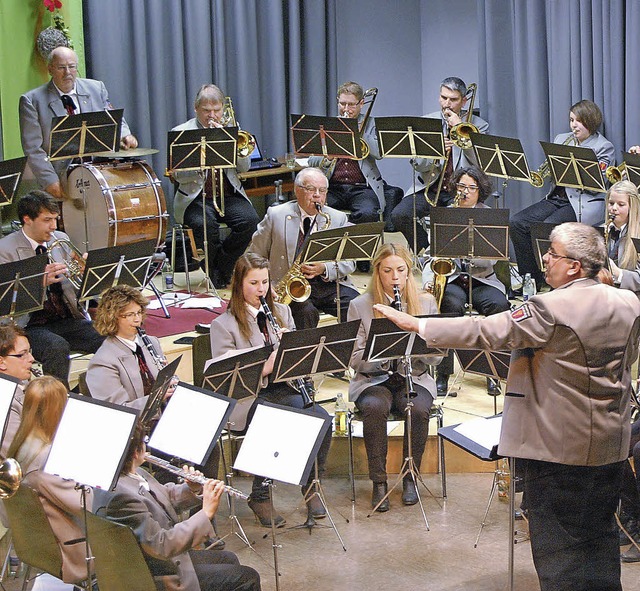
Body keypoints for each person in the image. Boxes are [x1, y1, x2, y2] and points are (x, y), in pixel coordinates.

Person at [375, 222, 640, 591]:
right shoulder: (629, 301)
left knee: (560, 554)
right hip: (610, 444)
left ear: (575, 266)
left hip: (558, 449)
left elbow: (485, 330)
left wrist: (420, 326)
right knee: (599, 541)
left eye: (553, 253)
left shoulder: (550, 306)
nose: (544, 258)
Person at [209, 253, 332, 527]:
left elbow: (300, 362)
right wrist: (267, 365)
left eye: (265, 282)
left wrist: (295, 352)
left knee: (322, 419)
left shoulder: (282, 312)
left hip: (284, 389)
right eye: (254, 283)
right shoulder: (223, 326)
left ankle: (311, 485)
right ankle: (260, 494)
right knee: (279, 417)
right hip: (247, 398)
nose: (261, 289)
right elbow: (227, 379)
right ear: (239, 285)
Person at [92, 421, 261, 591]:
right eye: (144, 440)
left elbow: (162, 496)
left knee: (228, 558)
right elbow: (162, 545)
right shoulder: (120, 495)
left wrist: (192, 488)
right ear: (136, 452)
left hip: (157, 561)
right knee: (247, 577)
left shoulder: (131, 473)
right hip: (155, 573)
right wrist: (206, 513)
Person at [348, 243, 440, 511]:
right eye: (388, 271)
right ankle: (379, 481)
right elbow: (354, 359)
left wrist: (421, 348)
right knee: (374, 408)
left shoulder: (425, 302)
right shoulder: (360, 305)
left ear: (410, 272)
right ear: (378, 272)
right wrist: (386, 355)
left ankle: (410, 477)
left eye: (401, 270)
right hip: (373, 380)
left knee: (418, 409)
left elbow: (437, 357)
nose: (395, 277)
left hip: (415, 375)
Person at [0, 191, 105, 386]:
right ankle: (56, 402)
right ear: (27, 220)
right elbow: (5, 301)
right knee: (56, 347)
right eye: (47, 220)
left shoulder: (60, 238)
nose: (53, 226)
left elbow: (78, 289)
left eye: (55, 219)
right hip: (29, 325)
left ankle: (99, 391)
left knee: (109, 336)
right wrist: (39, 282)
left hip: (67, 317)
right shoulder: (5, 250)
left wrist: (87, 272)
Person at [421, 167, 510, 396]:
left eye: (471, 188)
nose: (466, 192)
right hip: (452, 278)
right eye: (461, 187)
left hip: (482, 279)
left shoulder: (490, 217)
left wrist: (470, 249)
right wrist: (429, 281)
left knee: (499, 306)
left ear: (480, 191)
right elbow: (431, 255)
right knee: (449, 306)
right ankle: (443, 373)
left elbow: (493, 258)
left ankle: (493, 372)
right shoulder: (444, 215)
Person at [510, 99, 615, 289]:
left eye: (579, 121)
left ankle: (555, 282)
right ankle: (532, 278)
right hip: (557, 198)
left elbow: (598, 185)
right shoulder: (561, 139)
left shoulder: (603, 146)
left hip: (582, 201)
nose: (574, 125)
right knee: (517, 222)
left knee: (546, 228)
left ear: (590, 121)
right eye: (571, 120)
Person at [19, 46, 137, 202]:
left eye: (72, 66)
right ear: (50, 69)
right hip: (60, 174)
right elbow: (33, 149)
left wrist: (125, 134)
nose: (67, 72)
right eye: (61, 67)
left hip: (99, 170)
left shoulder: (96, 88)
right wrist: (50, 181)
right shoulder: (32, 101)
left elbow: (113, 118)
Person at [171, 84, 260, 288]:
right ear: (196, 109)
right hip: (196, 197)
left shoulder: (231, 130)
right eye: (206, 111)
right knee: (206, 226)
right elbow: (178, 176)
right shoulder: (182, 133)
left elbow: (243, 168)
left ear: (223, 109)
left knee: (250, 221)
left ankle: (222, 265)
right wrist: (202, 160)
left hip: (228, 195)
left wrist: (233, 146)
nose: (212, 115)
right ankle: (215, 274)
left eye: (216, 110)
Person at [248, 167, 359, 329]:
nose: (317, 195)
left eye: (322, 191)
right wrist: (265, 284)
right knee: (306, 313)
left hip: (327, 283)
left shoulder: (337, 218)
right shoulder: (276, 215)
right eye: (311, 189)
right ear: (297, 191)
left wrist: (324, 268)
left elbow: (350, 262)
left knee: (357, 305)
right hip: (289, 287)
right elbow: (254, 256)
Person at [7, 376, 90, 585]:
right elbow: (86, 504)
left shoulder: (19, 446)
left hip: (38, 542)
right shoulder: (46, 460)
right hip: (73, 547)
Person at [391, 77, 489, 252]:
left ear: (464, 101)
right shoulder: (426, 122)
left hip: (459, 191)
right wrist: (435, 153)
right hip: (429, 189)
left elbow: (480, 163)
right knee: (400, 214)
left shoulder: (479, 126)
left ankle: (450, 256)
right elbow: (417, 165)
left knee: (454, 221)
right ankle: (428, 251)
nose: (447, 104)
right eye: (444, 98)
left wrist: (462, 131)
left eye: (453, 100)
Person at [308, 81, 403, 239]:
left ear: (361, 104)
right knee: (315, 208)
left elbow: (379, 153)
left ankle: (363, 262)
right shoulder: (329, 126)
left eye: (351, 105)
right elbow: (312, 161)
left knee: (368, 214)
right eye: (342, 104)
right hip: (332, 187)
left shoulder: (371, 124)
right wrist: (328, 156)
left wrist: (360, 133)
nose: (346, 109)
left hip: (362, 188)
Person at [86, 285, 164, 410]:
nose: (137, 319)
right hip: (135, 426)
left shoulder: (152, 342)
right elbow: (118, 411)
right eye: (130, 315)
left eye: (139, 312)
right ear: (112, 317)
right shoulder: (102, 362)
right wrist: (158, 397)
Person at [0, 321, 36, 457]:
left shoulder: (23, 386)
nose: (31, 359)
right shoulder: (4, 400)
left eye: (29, 352)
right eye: (22, 354)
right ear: (1, 362)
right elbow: (18, 454)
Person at [602, 180, 640, 290]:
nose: (614, 208)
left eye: (621, 204)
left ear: (632, 208)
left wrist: (618, 273)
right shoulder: (603, 230)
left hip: (631, 297)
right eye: (611, 203)